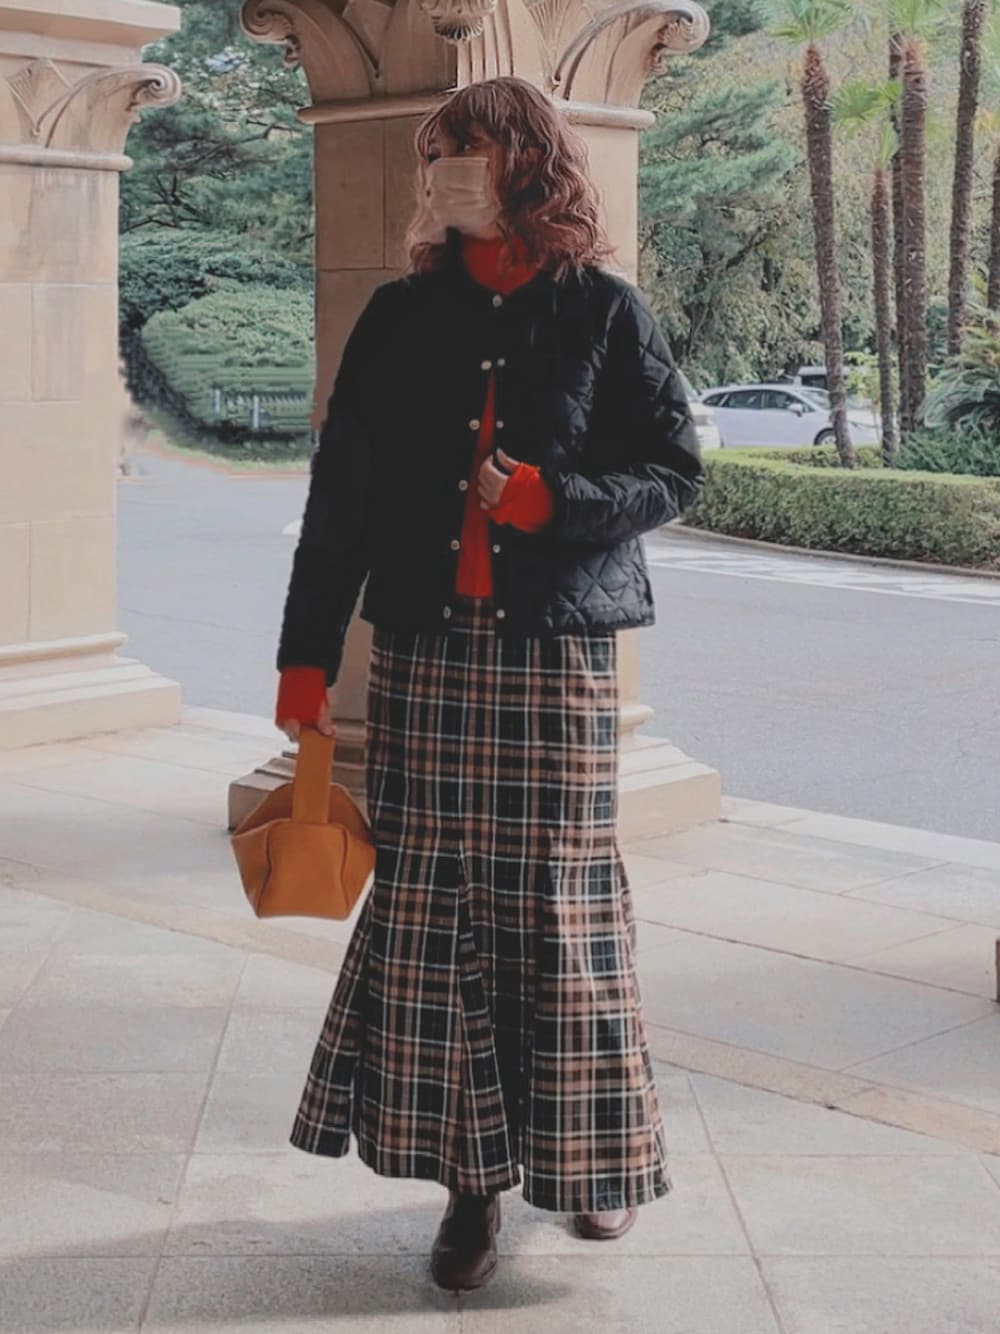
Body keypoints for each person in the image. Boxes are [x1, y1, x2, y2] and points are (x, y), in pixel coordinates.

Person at [274, 75, 703, 1293]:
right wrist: (305, 657)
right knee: (439, 910)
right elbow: (340, 498)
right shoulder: (400, 315)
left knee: (561, 909)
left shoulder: (605, 310)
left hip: (555, 661)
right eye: (435, 152)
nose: (444, 169)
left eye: (464, 145)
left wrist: (551, 501)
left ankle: (595, 1162)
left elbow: (673, 471)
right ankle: (472, 1184)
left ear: (525, 159)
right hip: (426, 654)